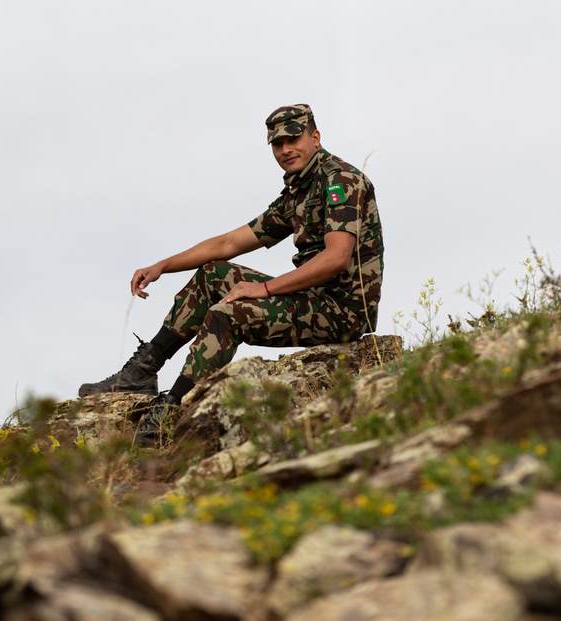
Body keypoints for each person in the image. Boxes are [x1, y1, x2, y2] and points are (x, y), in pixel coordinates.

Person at [79, 104, 384, 444]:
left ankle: (173, 409)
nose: (285, 149)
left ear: (315, 137)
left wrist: (264, 289)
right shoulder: (299, 191)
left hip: (343, 314)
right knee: (213, 274)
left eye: (293, 139)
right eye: (277, 144)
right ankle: (142, 370)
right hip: (313, 300)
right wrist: (162, 265)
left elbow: (336, 258)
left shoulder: (340, 180)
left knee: (229, 313)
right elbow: (229, 243)